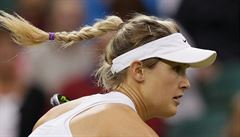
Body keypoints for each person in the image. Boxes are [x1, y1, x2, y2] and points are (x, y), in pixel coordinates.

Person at [0, 11, 217, 137]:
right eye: (176, 69)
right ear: (138, 70)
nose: (186, 83)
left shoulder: (60, 112)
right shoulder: (133, 131)